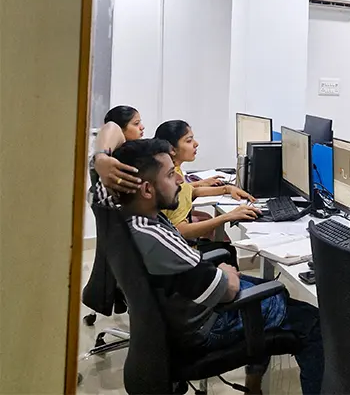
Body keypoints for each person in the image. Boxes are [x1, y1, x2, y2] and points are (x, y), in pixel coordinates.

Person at [91, 139, 323, 394]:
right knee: (314, 324)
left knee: (275, 292)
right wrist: (226, 272)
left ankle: (254, 385)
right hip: (204, 329)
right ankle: (259, 381)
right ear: (147, 189)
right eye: (171, 175)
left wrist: (100, 160)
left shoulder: (114, 207)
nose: (180, 181)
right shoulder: (157, 239)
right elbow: (229, 290)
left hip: (174, 320)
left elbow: (109, 132)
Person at [154, 120, 259, 240]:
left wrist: (226, 188)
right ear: (172, 149)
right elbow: (181, 231)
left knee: (206, 218)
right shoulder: (174, 179)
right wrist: (227, 216)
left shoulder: (169, 171)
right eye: (189, 141)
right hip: (184, 251)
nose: (196, 144)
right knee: (226, 245)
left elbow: (189, 191)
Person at [92, 106, 145, 194]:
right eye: (136, 123)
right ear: (121, 129)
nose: (142, 127)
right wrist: (101, 158)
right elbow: (111, 127)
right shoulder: (112, 131)